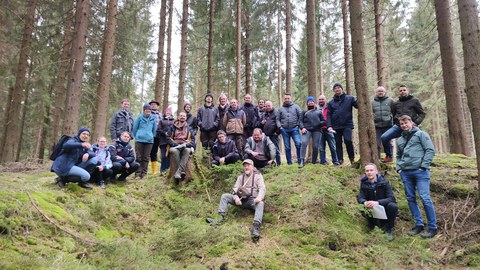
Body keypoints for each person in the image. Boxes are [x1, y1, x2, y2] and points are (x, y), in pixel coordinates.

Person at [396, 115, 437, 238]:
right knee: (410, 198)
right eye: (402, 124)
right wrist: (399, 168)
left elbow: (430, 150)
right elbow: (398, 155)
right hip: (405, 172)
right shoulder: (400, 140)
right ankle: (419, 225)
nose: (404, 125)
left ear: (411, 123)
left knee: (425, 197)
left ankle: (432, 227)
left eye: (406, 123)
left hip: (420, 172)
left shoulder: (421, 134)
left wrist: (423, 166)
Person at [206, 159, 266, 241]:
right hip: (240, 201)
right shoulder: (240, 177)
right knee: (225, 196)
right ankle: (219, 219)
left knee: (261, 204)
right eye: (245, 166)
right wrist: (236, 198)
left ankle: (256, 227)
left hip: (252, 200)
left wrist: (259, 198)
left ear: (252, 166)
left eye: (248, 165)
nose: (246, 167)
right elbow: (234, 189)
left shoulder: (258, 176)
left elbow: (262, 188)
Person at [380, 85, 426, 163]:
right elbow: (393, 114)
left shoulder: (414, 100)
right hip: (398, 127)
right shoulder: (396, 103)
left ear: (407, 90)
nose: (402, 92)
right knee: (384, 137)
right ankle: (389, 156)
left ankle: (418, 159)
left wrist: (415, 123)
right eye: (400, 91)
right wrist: (396, 122)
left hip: (411, 128)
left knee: (411, 143)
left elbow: (422, 113)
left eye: (404, 90)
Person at [357, 163, 398, 241]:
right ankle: (374, 226)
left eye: (371, 170)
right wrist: (364, 202)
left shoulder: (384, 182)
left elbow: (391, 198)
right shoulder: (363, 183)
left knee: (393, 206)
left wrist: (378, 202)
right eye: (367, 171)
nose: (369, 172)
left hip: (384, 208)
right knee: (363, 208)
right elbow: (361, 197)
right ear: (365, 173)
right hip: (372, 209)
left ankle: (389, 229)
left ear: (376, 171)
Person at [327, 83, 358, 165]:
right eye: (335, 88)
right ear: (333, 90)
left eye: (338, 88)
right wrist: (329, 126)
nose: (337, 89)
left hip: (347, 124)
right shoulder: (331, 103)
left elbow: (358, 105)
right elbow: (329, 115)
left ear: (342, 88)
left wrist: (358, 99)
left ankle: (352, 159)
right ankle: (340, 160)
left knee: (348, 141)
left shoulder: (350, 98)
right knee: (338, 143)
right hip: (336, 126)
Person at [168, 111, 196, 183]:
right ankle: (181, 171)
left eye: (184, 116)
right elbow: (167, 138)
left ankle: (178, 172)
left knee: (187, 150)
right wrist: (176, 145)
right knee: (174, 151)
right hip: (175, 145)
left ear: (186, 118)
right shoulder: (172, 127)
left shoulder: (189, 128)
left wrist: (185, 145)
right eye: (181, 116)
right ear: (178, 117)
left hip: (185, 145)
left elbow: (193, 140)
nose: (182, 117)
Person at [277, 93, 303, 165]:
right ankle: (289, 163)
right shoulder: (281, 109)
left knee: (298, 144)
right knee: (287, 147)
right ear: (284, 99)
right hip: (284, 130)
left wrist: (298, 125)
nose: (287, 100)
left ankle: (300, 161)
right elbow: (277, 119)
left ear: (290, 99)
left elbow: (301, 116)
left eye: (288, 98)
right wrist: (280, 127)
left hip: (295, 129)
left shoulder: (296, 107)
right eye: (286, 98)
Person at [132, 103, 157, 178]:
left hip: (149, 141)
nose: (148, 111)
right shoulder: (139, 118)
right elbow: (134, 128)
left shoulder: (153, 118)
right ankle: (138, 173)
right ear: (144, 110)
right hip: (139, 140)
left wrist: (151, 136)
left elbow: (154, 130)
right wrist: (137, 135)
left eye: (149, 110)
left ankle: (144, 173)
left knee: (146, 157)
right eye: (147, 110)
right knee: (139, 157)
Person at [300, 96, 325, 167]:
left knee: (315, 146)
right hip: (307, 129)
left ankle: (313, 162)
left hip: (317, 130)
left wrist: (319, 123)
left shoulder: (319, 112)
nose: (310, 102)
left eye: (312, 101)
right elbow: (300, 121)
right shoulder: (304, 112)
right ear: (307, 103)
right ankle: (302, 161)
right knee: (304, 142)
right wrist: (302, 128)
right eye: (309, 101)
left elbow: (323, 121)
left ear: (314, 103)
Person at [372, 87, 394, 162]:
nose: (380, 92)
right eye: (378, 91)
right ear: (376, 93)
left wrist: (392, 121)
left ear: (385, 92)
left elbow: (394, 112)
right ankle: (377, 158)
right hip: (376, 126)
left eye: (382, 91)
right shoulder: (372, 102)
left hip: (388, 125)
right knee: (377, 143)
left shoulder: (390, 101)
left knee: (387, 142)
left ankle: (389, 157)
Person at [317, 95, 339, 165]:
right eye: (320, 99)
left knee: (333, 146)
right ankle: (323, 162)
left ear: (325, 100)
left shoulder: (329, 107)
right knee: (321, 147)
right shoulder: (316, 108)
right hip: (320, 130)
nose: (321, 101)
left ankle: (335, 161)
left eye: (322, 99)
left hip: (329, 129)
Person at [259, 101, 282, 165]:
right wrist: (261, 123)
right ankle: (270, 164)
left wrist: (277, 132)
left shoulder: (276, 113)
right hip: (266, 135)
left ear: (272, 105)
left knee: (276, 149)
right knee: (267, 150)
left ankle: (279, 163)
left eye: (269, 106)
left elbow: (280, 123)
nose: (267, 107)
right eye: (266, 106)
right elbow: (259, 125)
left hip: (274, 135)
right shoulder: (264, 114)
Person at [158, 107, 175, 173]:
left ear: (171, 112)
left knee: (169, 156)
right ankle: (162, 170)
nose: (168, 112)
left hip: (171, 140)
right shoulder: (161, 120)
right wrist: (165, 133)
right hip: (163, 141)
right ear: (165, 112)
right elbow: (158, 129)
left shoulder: (174, 121)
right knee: (163, 156)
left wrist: (171, 135)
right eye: (167, 111)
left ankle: (168, 170)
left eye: (169, 111)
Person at [149, 100, 162, 174]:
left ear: (157, 106)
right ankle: (143, 169)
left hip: (158, 136)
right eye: (152, 104)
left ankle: (154, 170)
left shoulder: (160, 115)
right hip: (149, 136)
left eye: (155, 104)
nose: (153, 105)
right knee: (147, 152)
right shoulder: (148, 114)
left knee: (154, 152)